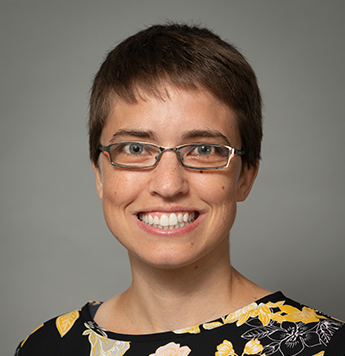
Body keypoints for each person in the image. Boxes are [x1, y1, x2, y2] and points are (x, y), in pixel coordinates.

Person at [15, 23, 344, 356]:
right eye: (134, 148)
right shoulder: (44, 347)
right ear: (100, 175)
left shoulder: (324, 346)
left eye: (203, 149)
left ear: (245, 175)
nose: (168, 185)